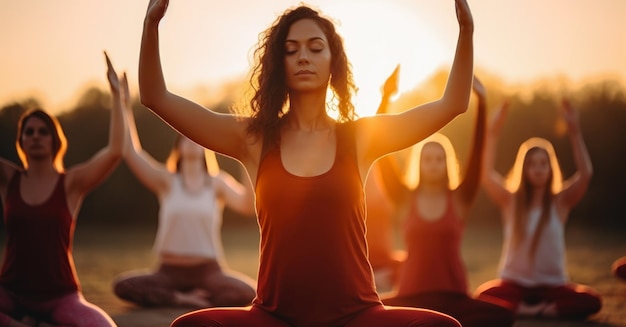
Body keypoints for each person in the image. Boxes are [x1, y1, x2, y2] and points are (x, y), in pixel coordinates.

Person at [139, 0, 474, 325]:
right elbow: (155, 97)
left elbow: (453, 104)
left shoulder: (361, 137)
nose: (303, 57)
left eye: (315, 48)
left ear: (333, 61)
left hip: (356, 316)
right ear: (277, 63)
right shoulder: (253, 138)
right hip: (274, 317)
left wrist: (466, 31)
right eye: (291, 49)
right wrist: (151, 25)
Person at [378, 77, 514, 327]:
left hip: (454, 297)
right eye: (428, 159)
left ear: (446, 163)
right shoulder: (404, 198)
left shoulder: (460, 199)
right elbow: (381, 153)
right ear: (419, 163)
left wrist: (482, 102)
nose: (433, 164)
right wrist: (385, 99)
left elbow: (476, 154)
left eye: (439, 159)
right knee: (371, 310)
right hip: (411, 296)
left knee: (504, 316)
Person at [112, 75, 257, 309]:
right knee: (123, 286)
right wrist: (122, 102)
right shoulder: (167, 181)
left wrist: (246, 156)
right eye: (185, 137)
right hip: (168, 272)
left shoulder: (217, 183)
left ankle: (194, 298)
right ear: (178, 146)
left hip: (209, 272)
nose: (192, 141)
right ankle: (183, 299)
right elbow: (130, 151)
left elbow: (247, 206)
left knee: (249, 293)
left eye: (197, 138)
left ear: (205, 145)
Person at [0, 53, 121, 327]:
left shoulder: (71, 183)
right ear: (20, 141)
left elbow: (115, 151)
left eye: (43, 131)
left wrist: (117, 97)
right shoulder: (9, 178)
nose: (35, 137)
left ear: (55, 140)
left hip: (60, 296)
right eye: (28, 132)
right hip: (10, 292)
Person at [474, 99, 603, 320]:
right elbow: (485, 174)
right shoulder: (510, 200)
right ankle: (530, 310)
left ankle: (537, 309)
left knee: (592, 300)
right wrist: (492, 134)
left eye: (543, 164)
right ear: (523, 169)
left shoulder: (560, 201)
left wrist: (574, 132)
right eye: (532, 164)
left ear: (550, 168)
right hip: (513, 284)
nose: (538, 169)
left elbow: (586, 174)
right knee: (481, 296)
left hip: (553, 287)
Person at [365, 65, 406, 292]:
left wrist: (386, 97)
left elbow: (380, 134)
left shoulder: (390, 186)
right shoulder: (350, 185)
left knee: (414, 262)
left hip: (388, 264)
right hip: (360, 265)